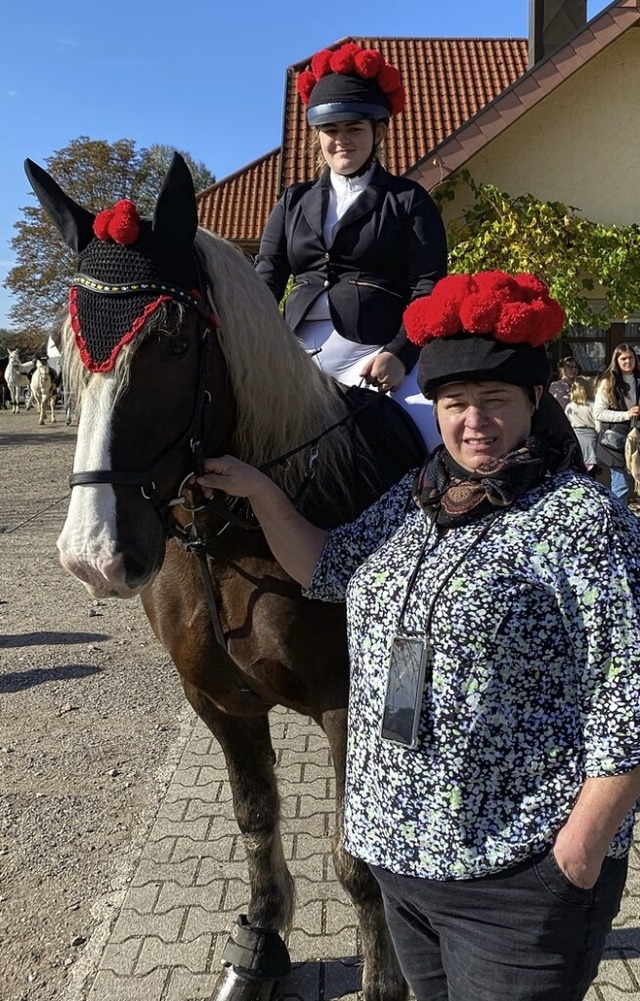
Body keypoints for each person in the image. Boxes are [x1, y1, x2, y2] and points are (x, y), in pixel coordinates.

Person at [197, 271, 640, 1001]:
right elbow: (328, 565)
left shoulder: (583, 522)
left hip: (518, 873)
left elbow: (630, 694)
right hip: (402, 861)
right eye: (455, 403)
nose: (474, 421)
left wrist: (581, 848)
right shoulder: (419, 497)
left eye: (495, 400)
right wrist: (261, 492)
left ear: (534, 400)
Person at [254, 42, 447, 451]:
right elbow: (266, 276)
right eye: (331, 131)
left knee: (431, 427)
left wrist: (400, 353)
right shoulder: (293, 200)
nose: (342, 140)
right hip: (295, 349)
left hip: (376, 349)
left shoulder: (407, 199)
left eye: (354, 129)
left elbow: (428, 286)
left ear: (378, 132)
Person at [594, 342, 640, 504]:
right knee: (621, 485)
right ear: (617, 360)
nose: (628, 361)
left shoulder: (638, 380)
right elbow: (599, 413)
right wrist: (626, 414)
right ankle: (617, 521)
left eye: (631, 358)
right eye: (624, 358)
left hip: (636, 439)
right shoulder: (608, 382)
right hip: (615, 441)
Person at [565, 374, 597, 473]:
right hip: (591, 440)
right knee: (592, 472)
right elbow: (598, 424)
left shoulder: (570, 407)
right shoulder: (593, 406)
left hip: (576, 438)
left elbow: (567, 424)